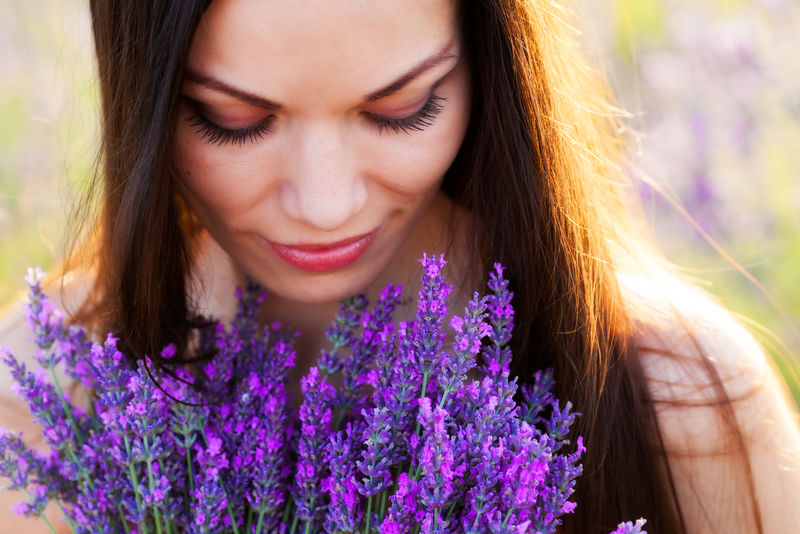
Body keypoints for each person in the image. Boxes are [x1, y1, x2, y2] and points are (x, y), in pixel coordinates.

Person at [1, 0, 799, 532]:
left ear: (486, 69)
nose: (324, 204)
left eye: (401, 109)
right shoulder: (37, 407)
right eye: (234, 120)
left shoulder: (685, 403)